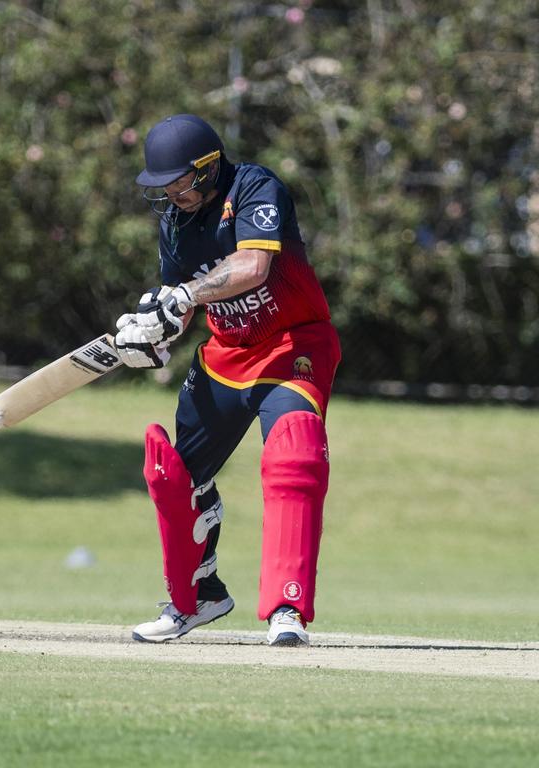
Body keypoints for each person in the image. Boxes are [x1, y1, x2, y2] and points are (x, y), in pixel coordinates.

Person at [114, 114, 341, 647]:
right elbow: (181, 305)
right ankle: (197, 599)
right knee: (175, 478)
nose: (171, 192)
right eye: (162, 185)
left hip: (293, 345)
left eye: (179, 181)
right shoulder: (174, 221)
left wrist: (186, 296)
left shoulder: (255, 186)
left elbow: (253, 266)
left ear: (210, 166)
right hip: (227, 355)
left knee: (294, 455)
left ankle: (287, 608)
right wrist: (152, 330)